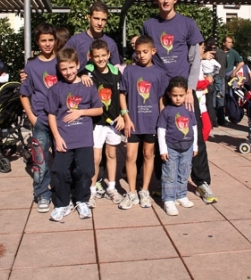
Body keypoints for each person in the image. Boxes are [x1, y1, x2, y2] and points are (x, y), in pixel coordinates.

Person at [142, 0, 217, 204]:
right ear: (156, 0)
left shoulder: (187, 23)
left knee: (193, 133)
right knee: (160, 133)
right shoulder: (149, 25)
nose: (165, 0)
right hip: (159, 90)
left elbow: (195, 59)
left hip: (183, 90)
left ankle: (201, 182)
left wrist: (190, 89)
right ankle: (161, 181)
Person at [44, 47, 103, 221]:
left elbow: (99, 109)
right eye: (64, 69)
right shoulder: (56, 89)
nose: (68, 72)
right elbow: (52, 114)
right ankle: (62, 204)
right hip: (64, 138)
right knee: (60, 171)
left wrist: (80, 113)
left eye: (71, 67)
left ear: (78, 65)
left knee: (85, 170)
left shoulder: (87, 86)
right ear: (59, 69)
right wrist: (57, 137)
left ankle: (82, 200)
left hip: (83, 138)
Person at [119, 35, 168, 210]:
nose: (141, 55)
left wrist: (162, 122)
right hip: (133, 122)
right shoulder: (129, 71)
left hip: (152, 123)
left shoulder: (160, 73)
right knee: (130, 156)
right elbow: (122, 95)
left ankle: (144, 190)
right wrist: (126, 117)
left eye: (145, 52)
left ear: (153, 51)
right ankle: (131, 192)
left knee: (148, 154)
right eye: (138, 52)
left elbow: (162, 99)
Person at [81, 39, 124, 208]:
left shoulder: (115, 72)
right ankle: (92, 191)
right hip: (96, 123)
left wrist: (122, 115)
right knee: (95, 157)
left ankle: (112, 187)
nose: (100, 59)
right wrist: (82, 75)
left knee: (112, 155)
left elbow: (121, 96)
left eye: (103, 56)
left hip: (113, 122)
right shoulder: (87, 71)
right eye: (97, 56)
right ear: (90, 57)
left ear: (109, 55)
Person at [20, 23, 58, 213]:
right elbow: (24, 94)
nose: (47, 44)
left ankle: (61, 192)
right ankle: (42, 193)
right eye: (43, 40)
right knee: (40, 160)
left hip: (60, 120)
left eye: (50, 40)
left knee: (62, 159)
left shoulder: (62, 61)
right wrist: (31, 116)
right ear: (37, 42)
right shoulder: (31, 66)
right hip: (41, 120)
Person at [157, 76, 198, 216]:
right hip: (171, 148)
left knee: (184, 172)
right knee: (169, 174)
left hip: (188, 147)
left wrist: (195, 146)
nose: (178, 98)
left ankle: (181, 195)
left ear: (186, 93)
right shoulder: (166, 111)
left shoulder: (189, 109)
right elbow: (161, 131)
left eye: (181, 95)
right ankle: (168, 199)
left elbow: (194, 127)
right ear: (169, 94)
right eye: (175, 95)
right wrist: (163, 149)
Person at [66, 1, 120, 71]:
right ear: (89, 18)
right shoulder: (75, 41)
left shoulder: (111, 43)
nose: (100, 23)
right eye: (96, 19)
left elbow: (116, 70)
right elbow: (63, 62)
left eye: (103, 20)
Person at [196, 43, 213, 141]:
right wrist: (207, 81)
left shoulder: (199, 62)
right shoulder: (192, 63)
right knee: (205, 127)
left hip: (201, 102)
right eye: (202, 48)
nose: (204, 50)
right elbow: (194, 83)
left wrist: (205, 79)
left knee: (206, 127)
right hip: (197, 101)